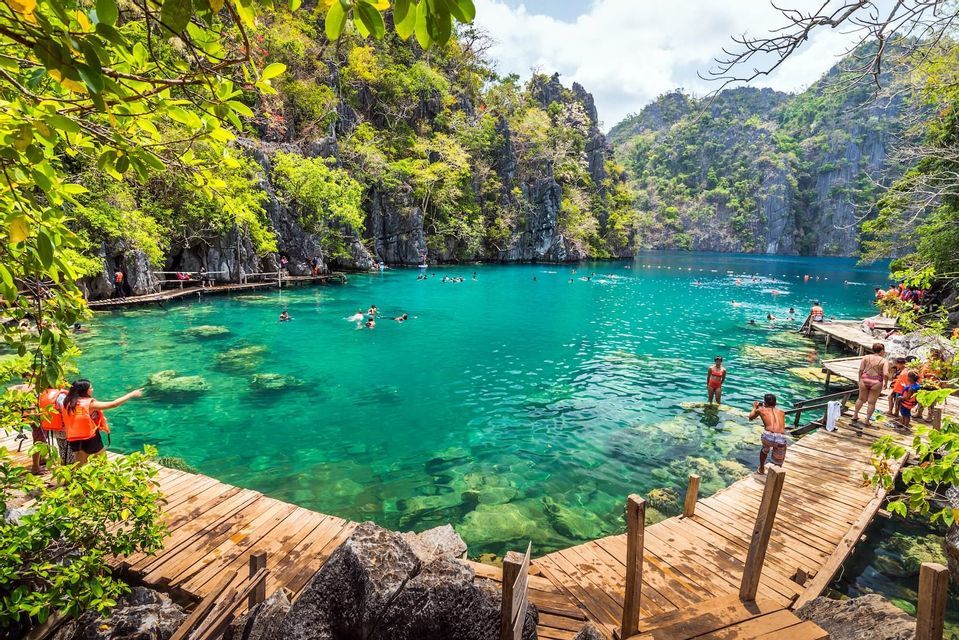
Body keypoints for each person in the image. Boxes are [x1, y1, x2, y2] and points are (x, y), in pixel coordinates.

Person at [61, 380, 142, 465]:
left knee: (80, 465)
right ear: (85, 390)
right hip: (90, 438)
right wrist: (132, 394)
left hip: (74, 439)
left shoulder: (67, 402)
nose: (92, 389)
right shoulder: (91, 404)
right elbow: (113, 404)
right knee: (102, 463)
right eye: (91, 388)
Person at [749, 394, 787, 473]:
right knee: (778, 461)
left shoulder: (761, 410)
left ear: (765, 403)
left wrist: (754, 407)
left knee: (765, 449)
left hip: (768, 437)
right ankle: (776, 471)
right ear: (775, 403)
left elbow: (750, 417)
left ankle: (761, 467)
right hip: (780, 438)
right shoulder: (782, 412)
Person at [852, 342, 887, 427]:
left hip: (864, 379)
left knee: (860, 399)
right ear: (882, 350)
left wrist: (859, 379)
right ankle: (867, 420)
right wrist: (885, 383)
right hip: (876, 381)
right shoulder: (884, 361)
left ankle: (855, 415)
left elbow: (861, 370)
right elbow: (886, 374)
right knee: (871, 402)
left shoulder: (866, 357)